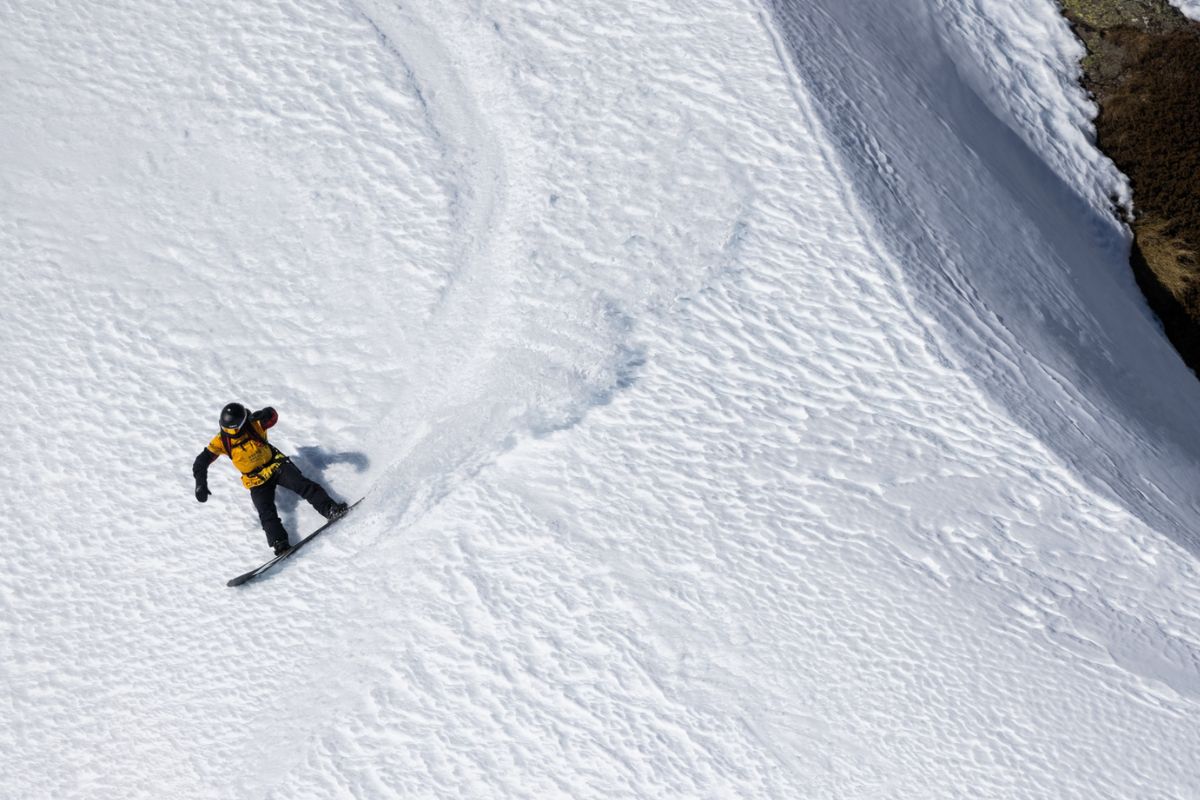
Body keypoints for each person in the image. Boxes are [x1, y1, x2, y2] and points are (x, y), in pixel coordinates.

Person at [193, 402, 348, 555]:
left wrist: (266, 412)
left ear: (240, 425)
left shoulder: (254, 424)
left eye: (231, 429)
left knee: (302, 485)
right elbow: (201, 461)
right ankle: (279, 543)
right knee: (265, 511)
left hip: (276, 466)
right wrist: (200, 483)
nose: (227, 432)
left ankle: (330, 510)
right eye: (224, 427)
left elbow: (273, 417)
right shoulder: (222, 441)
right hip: (255, 479)